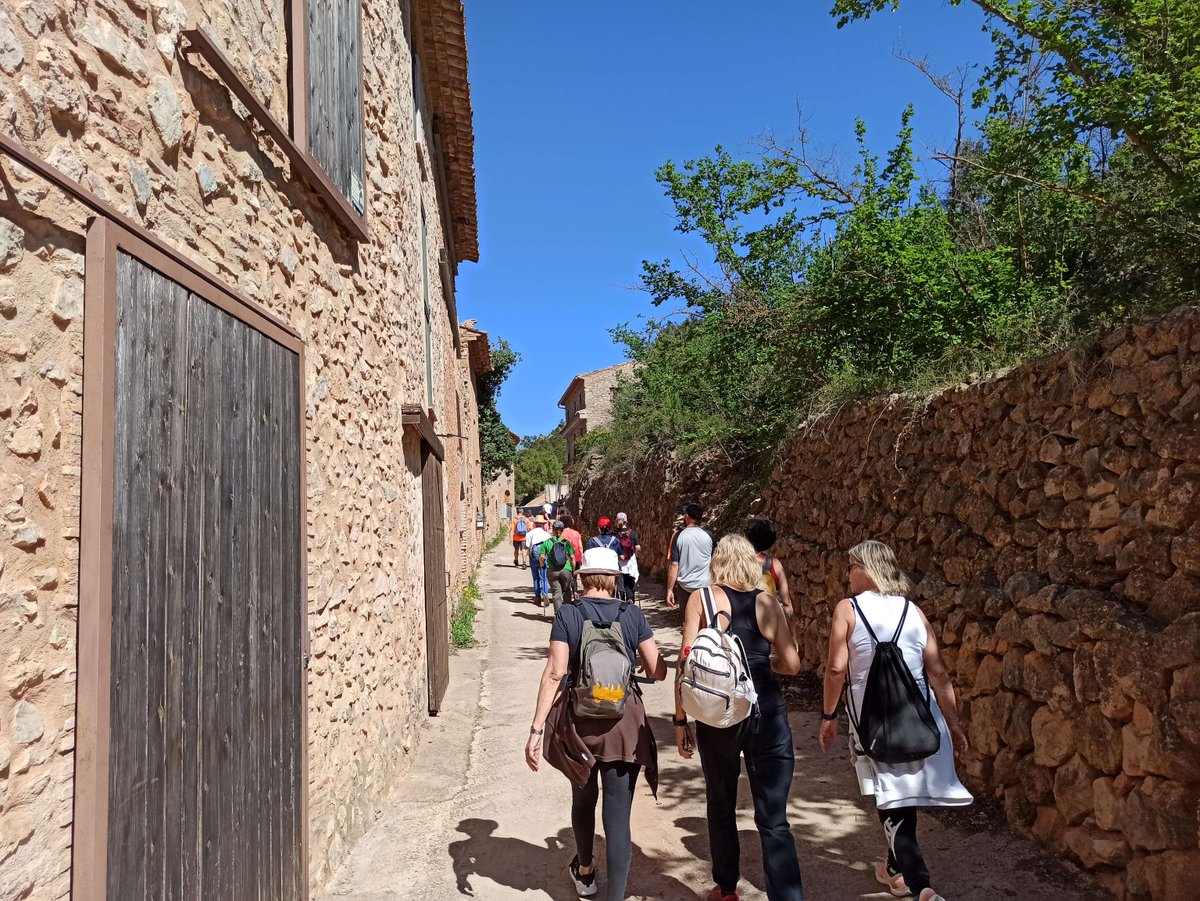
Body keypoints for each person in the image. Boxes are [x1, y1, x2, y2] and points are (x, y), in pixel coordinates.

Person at [819, 540, 971, 901]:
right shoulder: (913, 611)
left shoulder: (848, 609)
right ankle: (892, 868)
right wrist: (953, 723)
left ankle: (921, 887)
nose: (847, 574)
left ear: (867, 570)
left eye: (851, 566)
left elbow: (837, 668)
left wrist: (828, 715)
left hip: (872, 720)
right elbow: (939, 673)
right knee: (902, 795)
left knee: (891, 799)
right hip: (918, 717)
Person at [526, 546, 669, 901]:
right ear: (613, 579)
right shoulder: (632, 613)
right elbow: (657, 670)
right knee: (618, 817)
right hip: (624, 726)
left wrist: (536, 729)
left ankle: (586, 873)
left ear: (584, 577)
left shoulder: (568, 615)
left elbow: (556, 672)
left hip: (580, 725)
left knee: (583, 798)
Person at [674, 534, 804, 901]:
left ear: (717, 562)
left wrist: (681, 720)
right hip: (766, 714)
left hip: (717, 718)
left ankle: (727, 888)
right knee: (774, 819)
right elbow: (793, 665)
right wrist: (765, 662)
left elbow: (685, 664)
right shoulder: (766, 602)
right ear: (750, 562)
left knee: (720, 802)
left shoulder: (701, 600)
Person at [746, 518, 796, 640]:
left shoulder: (738, 562)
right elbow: (787, 603)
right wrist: (793, 636)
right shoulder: (774, 565)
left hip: (743, 621)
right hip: (767, 624)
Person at [666, 503, 713, 610]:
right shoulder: (709, 536)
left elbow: (674, 564)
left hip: (685, 586)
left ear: (687, 516)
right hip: (706, 585)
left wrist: (670, 590)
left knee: (687, 621)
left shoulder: (678, 536)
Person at [539, 520, 578, 614]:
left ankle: (558, 615)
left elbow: (541, 557)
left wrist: (542, 565)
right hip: (566, 570)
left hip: (552, 571)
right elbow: (572, 558)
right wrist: (573, 570)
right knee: (567, 591)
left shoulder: (546, 543)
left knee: (556, 593)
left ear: (553, 529)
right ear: (562, 530)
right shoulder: (567, 543)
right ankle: (567, 614)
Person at [525, 515, 553, 606]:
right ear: (542, 524)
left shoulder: (530, 533)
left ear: (535, 524)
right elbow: (549, 547)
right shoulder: (547, 534)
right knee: (544, 577)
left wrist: (525, 558)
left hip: (533, 557)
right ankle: (545, 593)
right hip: (543, 556)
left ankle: (537, 597)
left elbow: (527, 547)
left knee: (536, 578)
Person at [614, 512, 641, 602]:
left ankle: (621, 603)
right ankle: (630, 600)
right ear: (626, 521)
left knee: (620, 586)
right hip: (630, 563)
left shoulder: (615, 534)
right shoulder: (632, 533)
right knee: (630, 584)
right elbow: (638, 547)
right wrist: (636, 557)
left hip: (619, 563)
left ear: (617, 521)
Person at [560, 513, 586, 601]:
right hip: (576, 557)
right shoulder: (576, 533)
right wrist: (581, 557)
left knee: (566, 576)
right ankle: (575, 592)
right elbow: (580, 546)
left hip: (565, 559)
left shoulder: (561, 534)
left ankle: (566, 593)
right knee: (574, 576)